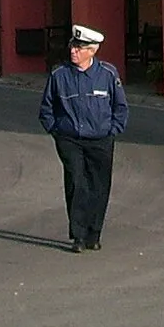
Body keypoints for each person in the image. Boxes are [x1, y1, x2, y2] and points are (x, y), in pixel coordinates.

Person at [37, 24, 128, 252]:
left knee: (99, 185)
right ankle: (77, 235)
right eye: (72, 46)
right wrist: (56, 131)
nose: (73, 51)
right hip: (70, 139)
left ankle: (93, 233)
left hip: (100, 139)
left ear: (92, 50)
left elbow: (120, 106)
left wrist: (113, 129)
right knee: (77, 183)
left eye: (79, 48)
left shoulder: (107, 74)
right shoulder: (60, 75)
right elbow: (46, 108)